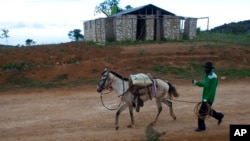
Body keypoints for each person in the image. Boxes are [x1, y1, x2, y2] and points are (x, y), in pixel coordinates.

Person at [192, 61, 224, 132]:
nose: (205, 69)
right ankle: (219, 116)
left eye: (206, 68)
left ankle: (201, 127)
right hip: (205, 97)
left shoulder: (214, 77)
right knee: (208, 111)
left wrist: (206, 99)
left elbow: (212, 90)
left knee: (201, 112)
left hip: (209, 98)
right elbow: (205, 84)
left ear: (210, 69)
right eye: (205, 68)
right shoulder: (207, 75)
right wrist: (196, 83)